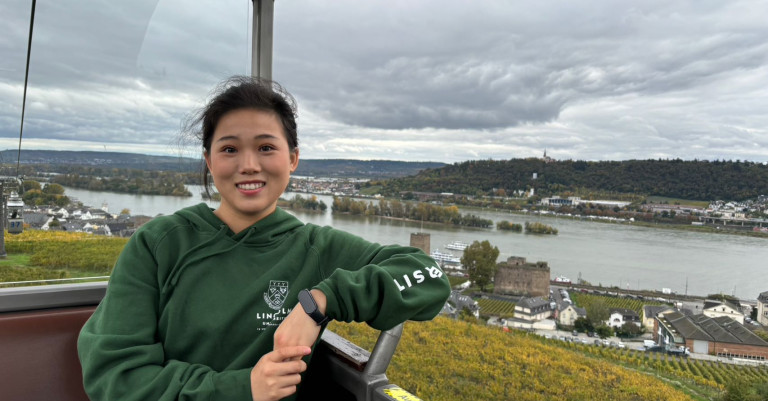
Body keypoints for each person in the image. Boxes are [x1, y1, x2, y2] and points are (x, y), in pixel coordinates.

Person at [77, 76, 451, 401]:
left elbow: (428, 276)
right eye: (229, 149)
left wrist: (321, 300)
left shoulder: (314, 248)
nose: (249, 165)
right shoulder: (159, 244)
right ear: (209, 162)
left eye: (266, 147)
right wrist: (243, 389)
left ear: (293, 159)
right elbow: (115, 378)